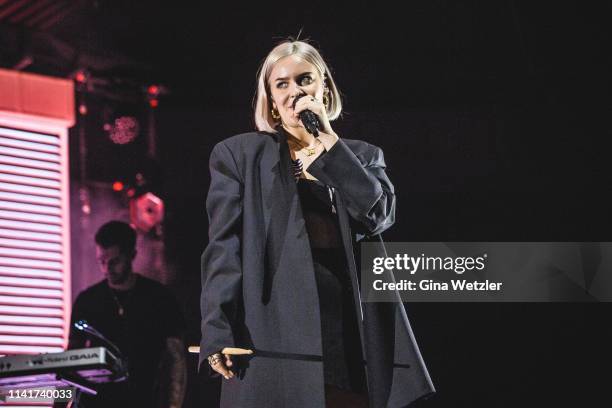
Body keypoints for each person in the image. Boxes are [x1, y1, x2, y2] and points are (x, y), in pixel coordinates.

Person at [199, 40, 435, 407]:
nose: (295, 91)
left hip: (345, 331)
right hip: (271, 335)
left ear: (323, 87)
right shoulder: (239, 155)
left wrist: (329, 144)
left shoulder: (361, 156)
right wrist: (216, 332)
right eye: (282, 84)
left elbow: (378, 216)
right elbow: (222, 250)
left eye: (304, 79)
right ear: (271, 99)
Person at [67, 221, 187, 408]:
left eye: (114, 261)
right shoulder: (87, 301)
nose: (107, 268)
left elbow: (176, 360)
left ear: (131, 255)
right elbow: (70, 361)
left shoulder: (160, 298)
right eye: (102, 261)